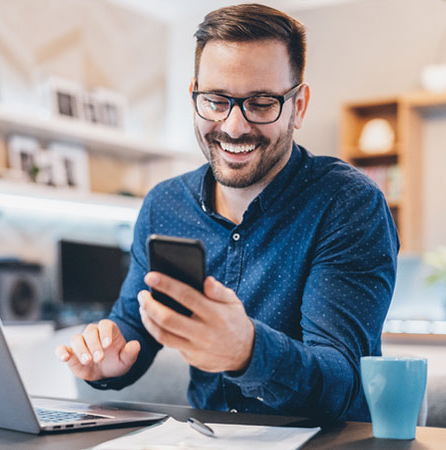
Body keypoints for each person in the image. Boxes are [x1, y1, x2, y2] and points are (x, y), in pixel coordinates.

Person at [56, 3, 399, 422]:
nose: (234, 127)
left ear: (299, 106)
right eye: (217, 100)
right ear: (195, 96)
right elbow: (133, 327)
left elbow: (343, 382)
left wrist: (248, 352)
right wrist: (107, 360)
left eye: (261, 103)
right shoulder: (164, 205)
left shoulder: (347, 204)